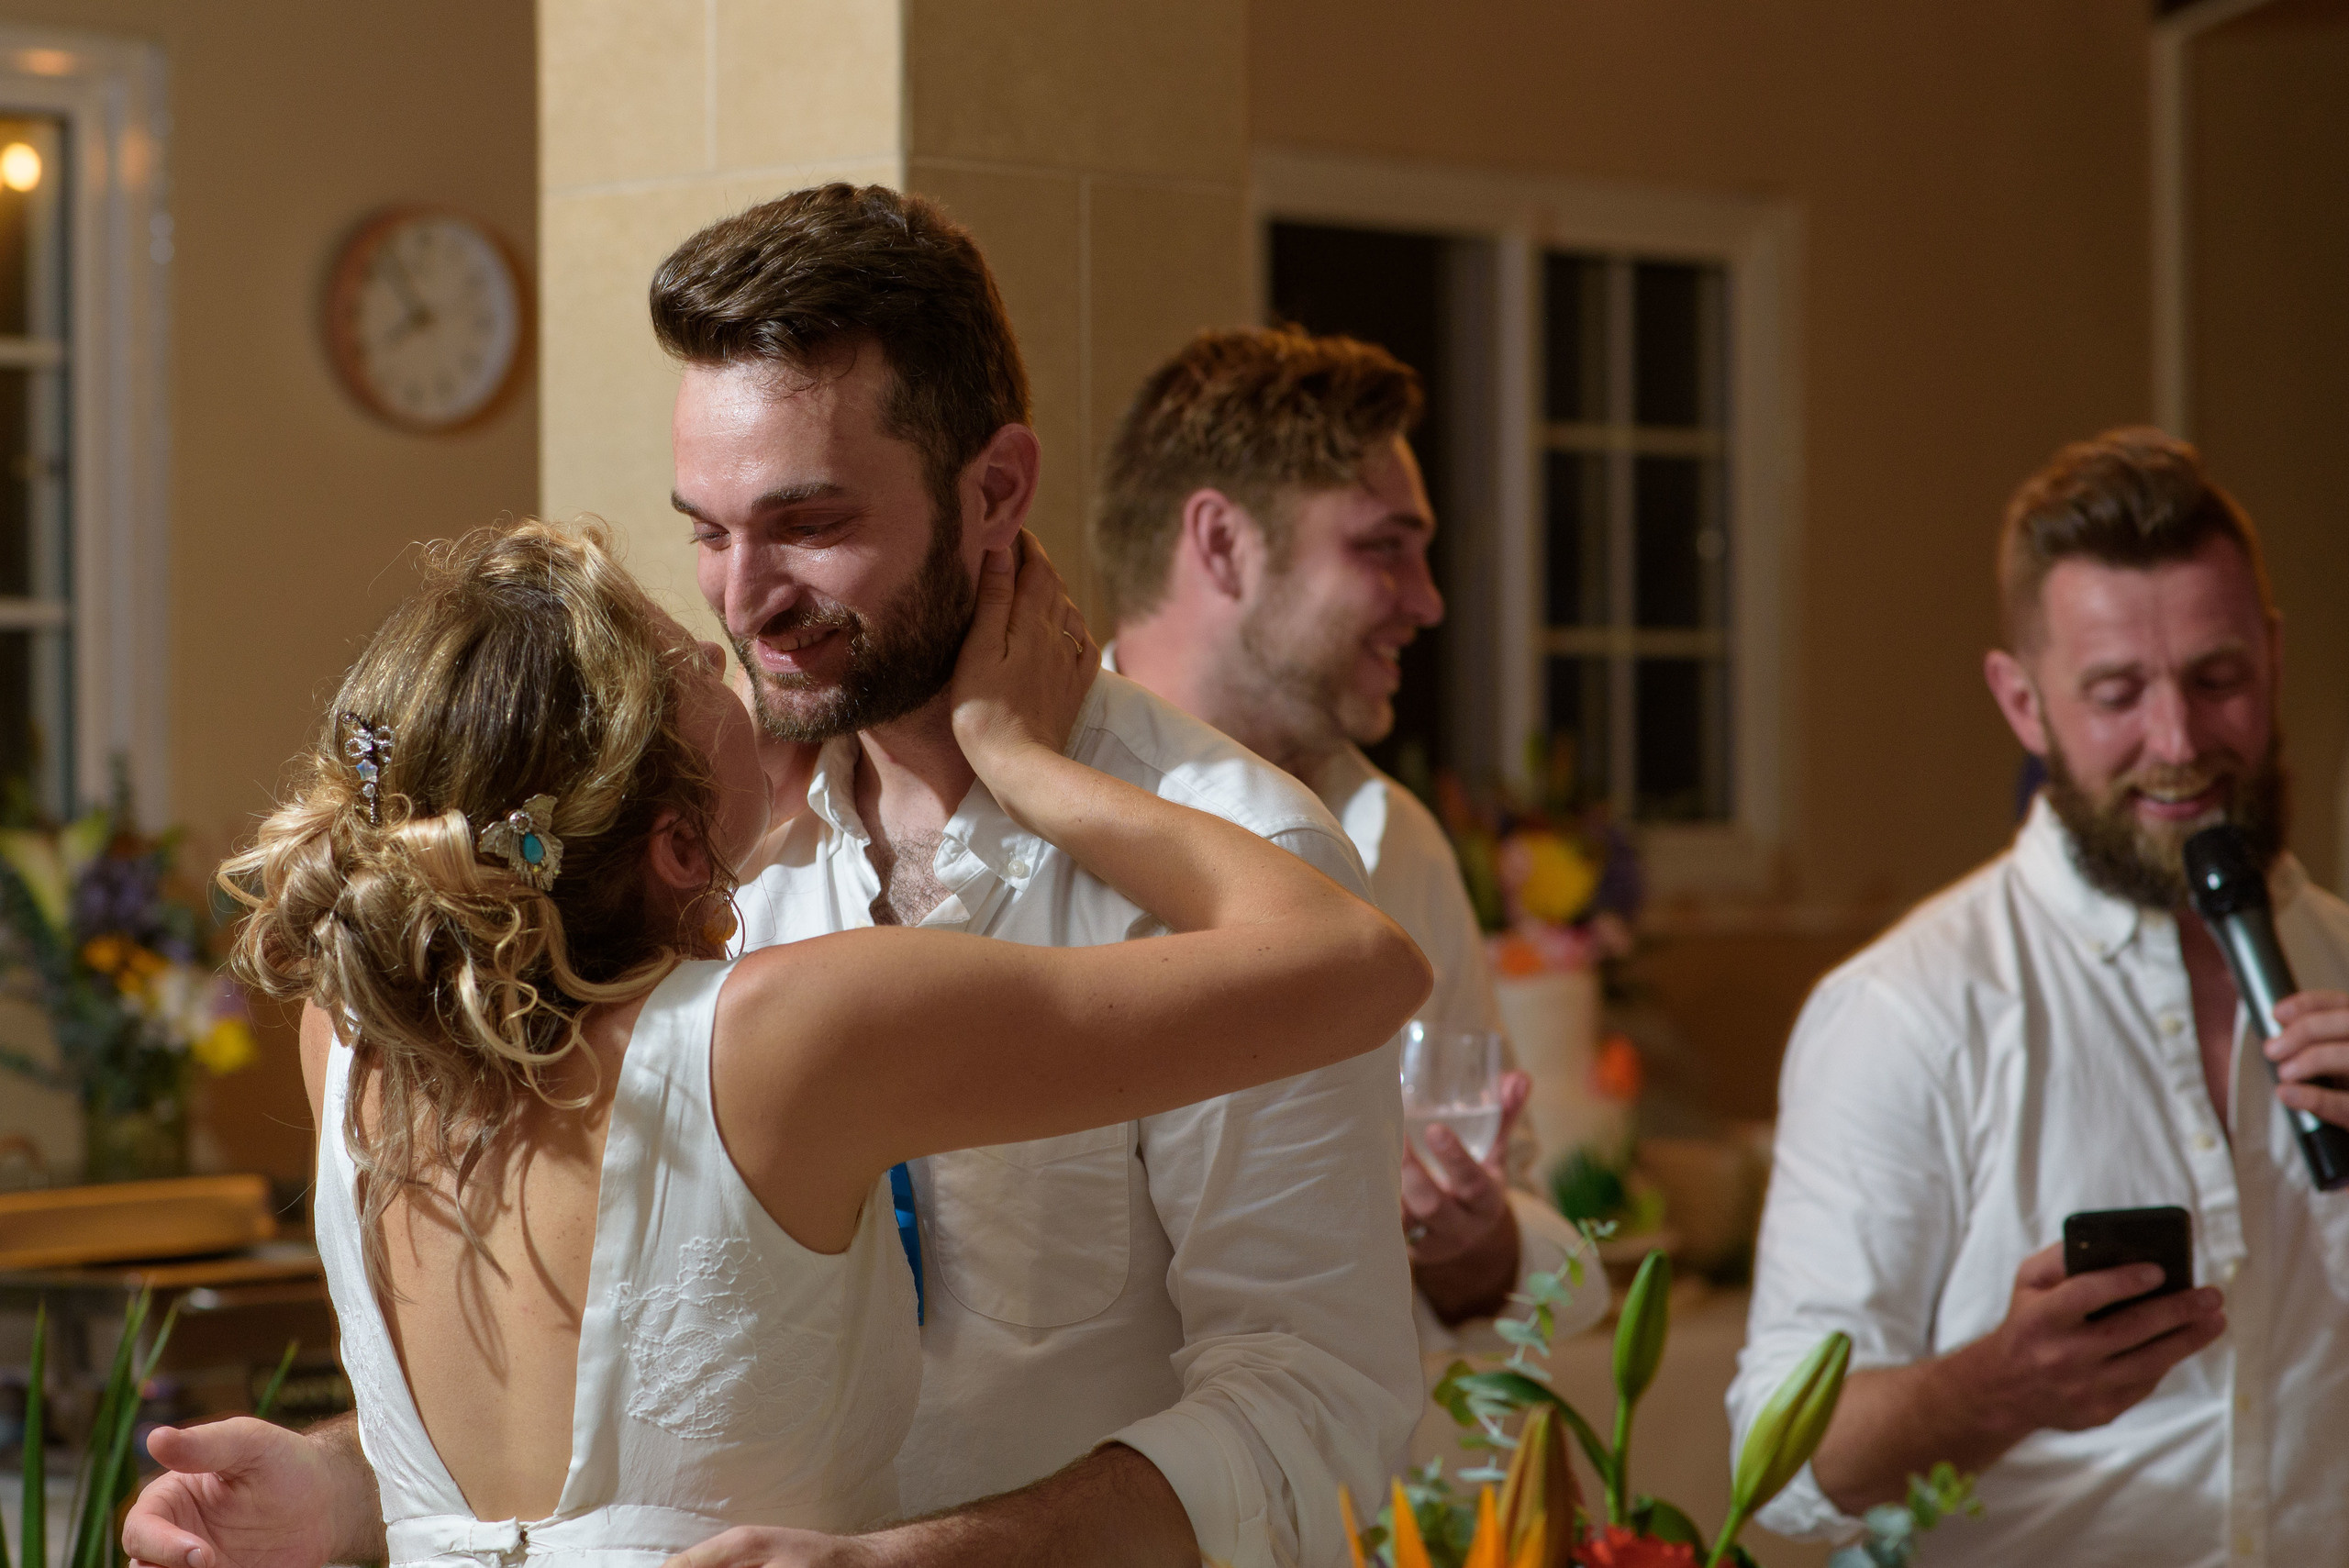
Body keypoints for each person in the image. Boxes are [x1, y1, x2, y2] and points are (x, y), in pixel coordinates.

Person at [127, 185, 1427, 1568]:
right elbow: (634, 1384)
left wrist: (929, 1563)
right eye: (706, 529)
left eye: (806, 523)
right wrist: (349, 1481)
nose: (743, 600)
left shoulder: (1241, 850)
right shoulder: (685, 853)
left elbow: (1320, 1408)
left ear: (995, 490)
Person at [1728, 428, 2349, 1565]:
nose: (2179, 741)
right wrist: (1995, 1387)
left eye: (2217, 679)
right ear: (2022, 703)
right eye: (2117, 692)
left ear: (2269, 653)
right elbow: (1777, 1461)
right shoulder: (1904, 1011)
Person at [1095, 325, 1602, 1346]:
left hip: (1369, 1497)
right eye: (1383, 546)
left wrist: (1475, 1243)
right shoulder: (1024, 826)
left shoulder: (1398, 842)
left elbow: (1524, 1233)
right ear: (1223, 543)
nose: (1428, 601)